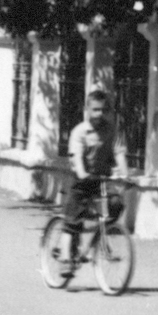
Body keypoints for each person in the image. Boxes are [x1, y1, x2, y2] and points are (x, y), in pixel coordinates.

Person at [56, 86, 118, 242]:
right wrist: (82, 173)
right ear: (87, 110)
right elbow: (76, 156)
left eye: (103, 110)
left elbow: (117, 152)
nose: (100, 114)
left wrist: (122, 173)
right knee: (73, 220)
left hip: (100, 179)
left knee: (116, 203)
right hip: (82, 180)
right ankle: (65, 250)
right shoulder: (80, 131)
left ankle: (96, 240)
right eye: (95, 110)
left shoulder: (109, 129)